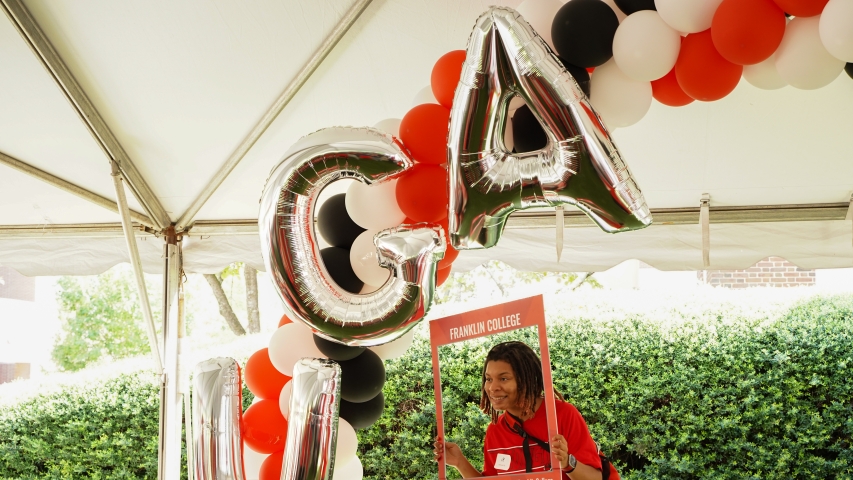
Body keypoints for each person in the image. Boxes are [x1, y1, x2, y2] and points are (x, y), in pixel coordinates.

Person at [433, 341, 613, 479]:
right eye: (488, 379)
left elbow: (596, 477)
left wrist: (567, 462)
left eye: (503, 379)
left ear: (525, 380)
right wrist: (459, 462)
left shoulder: (563, 415)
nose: (492, 387)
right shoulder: (495, 431)